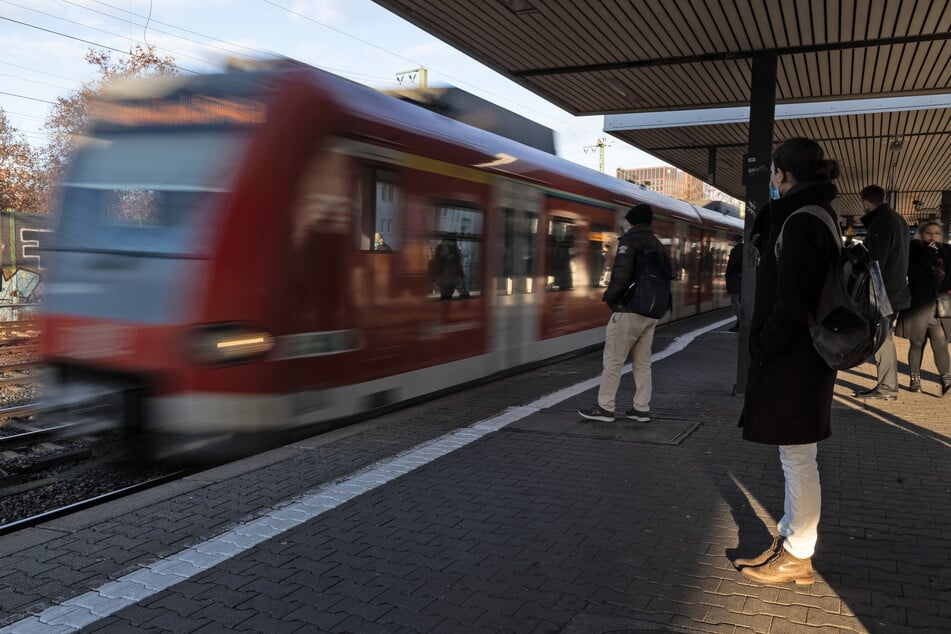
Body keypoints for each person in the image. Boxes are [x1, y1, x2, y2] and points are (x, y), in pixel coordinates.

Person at [734, 137, 841, 585]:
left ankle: (798, 552)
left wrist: (762, 344)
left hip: (794, 357)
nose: (772, 182)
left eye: (774, 173)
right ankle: (790, 540)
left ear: (785, 174)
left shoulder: (799, 222)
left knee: (797, 457)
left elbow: (791, 300)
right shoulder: (821, 216)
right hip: (807, 355)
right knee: (796, 454)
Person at [578, 204, 668, 424]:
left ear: (632, 221)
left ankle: (605, 408)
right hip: (652, 312)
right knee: (643, 363)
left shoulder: (630, 241)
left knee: (613, 360)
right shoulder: (657, 244)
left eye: (627, 221)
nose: (625, 224)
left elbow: (621, 275)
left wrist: (611, 299)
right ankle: (641, 408)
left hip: (629, 309)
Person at [853, 184, 910, 401]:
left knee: (881, 338)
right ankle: (887, 386)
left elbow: (874, 262)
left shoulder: (881, 223)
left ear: (865, 201)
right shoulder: (899, 221)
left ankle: (887, 388)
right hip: (896, 290)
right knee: (883, 337)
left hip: (883, 293)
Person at [897, 220, 951, 395]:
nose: (933, 236)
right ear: (921, 234)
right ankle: (915, 380)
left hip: (940, 305)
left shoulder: (947, 250)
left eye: (936, 233)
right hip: (919, 304)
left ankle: (946, 379)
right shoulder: (914, 249)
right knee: (917, 343)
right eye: (929, 233)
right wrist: (928, 253)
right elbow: (913, 273)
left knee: (940, 342)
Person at [725, 234, 743, 331]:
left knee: (735, 302)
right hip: (741, 280)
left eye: (732, 240)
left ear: (736, 241)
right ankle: (740, 322)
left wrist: (727, 275)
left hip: (734, 280)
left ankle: (740, 323)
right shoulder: (744, 249)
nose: (732, 242)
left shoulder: (735, 251)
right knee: (739, 301)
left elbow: (731, 266)